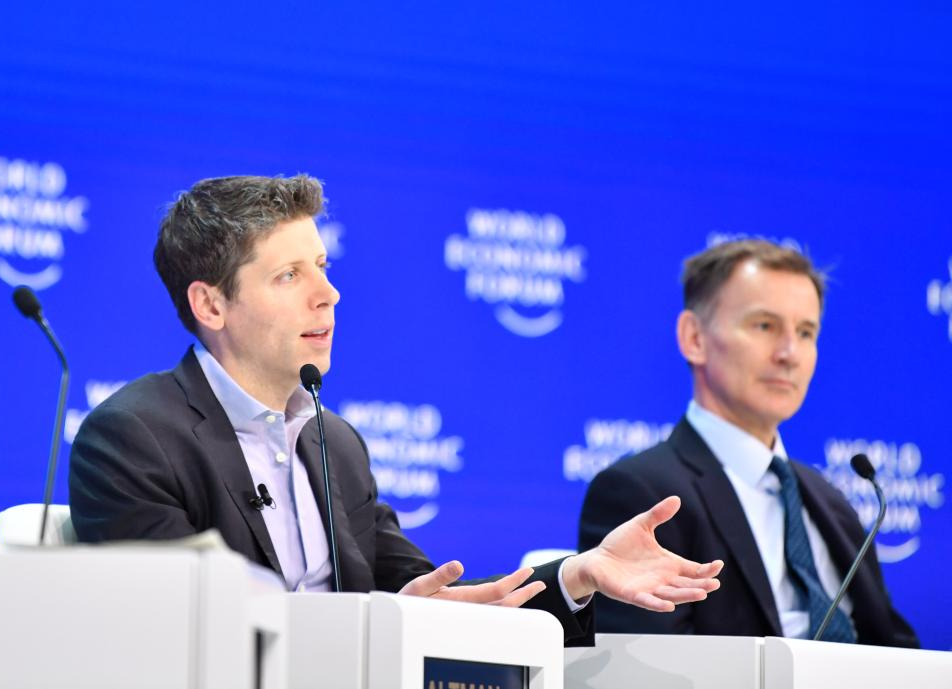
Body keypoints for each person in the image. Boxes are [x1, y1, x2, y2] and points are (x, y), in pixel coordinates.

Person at [69, 174, 723, 645]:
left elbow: (441, 600)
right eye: (289, 276)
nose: (329, 293)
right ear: (211, 305)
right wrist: (377, 624)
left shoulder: (336, 444)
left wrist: (579, 574)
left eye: (321, 266)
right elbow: (178, 637)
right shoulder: (134, 437)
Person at [578, 239, 918, 647]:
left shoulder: (831, 502)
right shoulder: (643, 493)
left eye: (806, 332)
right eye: (764, 326)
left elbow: (897, 650)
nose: (790, 353)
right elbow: (645, 666)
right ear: (694, 338)